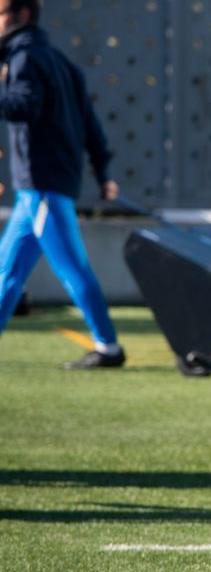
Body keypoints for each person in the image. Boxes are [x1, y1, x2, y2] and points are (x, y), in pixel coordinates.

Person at [0, 0, 124, 369]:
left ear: (21, 16)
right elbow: (91, 125)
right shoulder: (61, 62)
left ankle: (108, 348)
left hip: (42, 185)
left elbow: (23, 106)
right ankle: (107, 346)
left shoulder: (24, 60)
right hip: (41, 187)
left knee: (72, 269)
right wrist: (104, 174)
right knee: (7, 272)